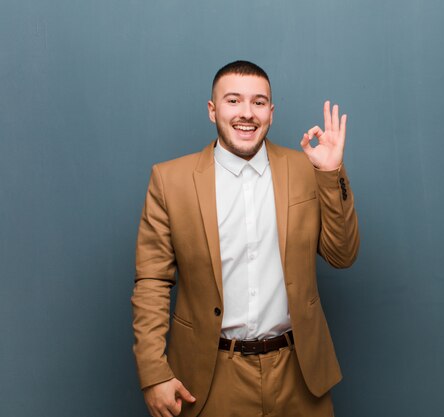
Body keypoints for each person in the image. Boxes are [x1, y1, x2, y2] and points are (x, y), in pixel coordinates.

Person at [132, 60, 359, 417]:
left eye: (258, 102)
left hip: (299, 375)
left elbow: (343, 254)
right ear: (212, 110)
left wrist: (330, 174)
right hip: (210, 377)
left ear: (271, 111)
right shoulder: (169, 180)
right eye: (233, 100)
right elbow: (152, 280)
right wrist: (152, 372)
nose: (247, 113)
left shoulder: (306, 169)